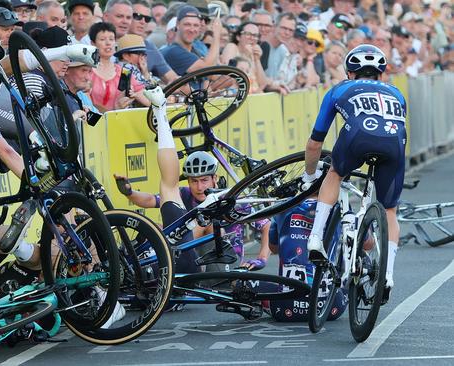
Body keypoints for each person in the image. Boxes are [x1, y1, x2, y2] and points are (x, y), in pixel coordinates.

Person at [303, 44, 406, 303]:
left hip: (358, 139)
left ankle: (316, 239)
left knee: (335, 173)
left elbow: (316, 142)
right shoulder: (397, 93)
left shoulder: (339, 89)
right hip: (394, 146)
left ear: (350, 72)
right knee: (390, 210)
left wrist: (309, 175)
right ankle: (388, 274)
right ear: (381, 74)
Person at [114, 150, 271, 273]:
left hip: (227, 265)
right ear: (188, 181)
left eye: (204, 180)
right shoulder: (184, 194)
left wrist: (261, 259)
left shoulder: (231, 201)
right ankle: (137, 264)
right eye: (194, 181)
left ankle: (164, 258)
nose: (199, 187)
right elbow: (149, 200)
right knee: (157, 226)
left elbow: (266, 226)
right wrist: (129, 192)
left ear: (214, 178)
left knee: (205, 222)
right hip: (193, 263)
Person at [264, 197, 347, 322]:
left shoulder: (282, 205)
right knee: (357, 263)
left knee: (244, 284)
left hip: (286, 307)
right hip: (331, 307)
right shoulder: (340, 205)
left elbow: (274, 248)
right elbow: (368, 244)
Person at [89, 22, 149, 111]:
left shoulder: (124, 72)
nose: (108, 43)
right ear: (93, 43)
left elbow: (147, 99)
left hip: (119, 122)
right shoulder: (87, 71)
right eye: (102, 39)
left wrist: (134, 94)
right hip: (93, 122)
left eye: (111, 39)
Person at [161, 5, 222, 76]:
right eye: (187, 24)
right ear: (177, 24)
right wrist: (216, 34)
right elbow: (206, 69)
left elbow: (214, 78)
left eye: (196, 25)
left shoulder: (195, 52)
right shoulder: (173, 51)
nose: (192, 29)